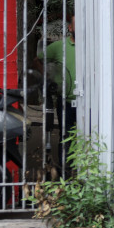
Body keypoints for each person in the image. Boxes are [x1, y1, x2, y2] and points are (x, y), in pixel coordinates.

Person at [36, 15, 77, 166]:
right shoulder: (59, 46)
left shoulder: (91, 46)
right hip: (65, 100)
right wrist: (47, 77)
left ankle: (83, 170)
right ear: (70, 28)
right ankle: (65, 170)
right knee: (65, 135)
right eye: (77, 24)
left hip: (88, 102)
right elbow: (37, 61)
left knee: (89, 135)